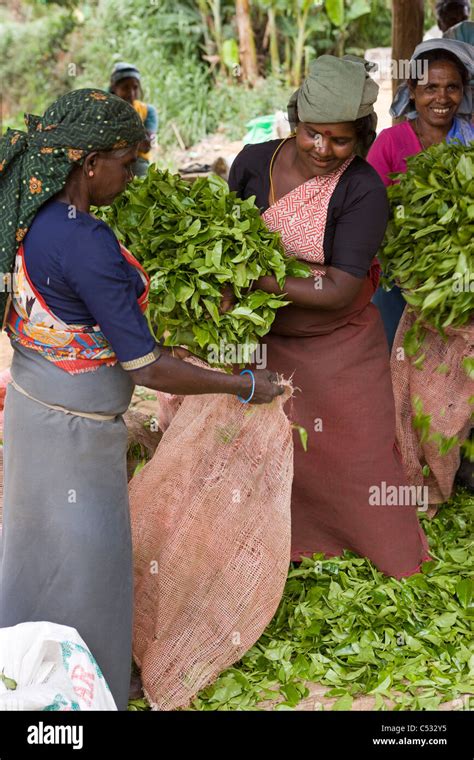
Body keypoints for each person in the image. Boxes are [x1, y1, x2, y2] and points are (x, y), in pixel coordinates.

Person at [0, 89, 282, 711]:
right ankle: (90, 682)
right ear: (88, 161)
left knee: (36, 546)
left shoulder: (30, 214)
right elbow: (148, 365)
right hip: (72, 433)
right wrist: (244, 384)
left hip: (33, 408)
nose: (133, 176)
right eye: (127, 163)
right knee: (89, 554)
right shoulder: (84, 242)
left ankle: (30, 666)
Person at [229, 56, 430, 580]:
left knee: (358, 458)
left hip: (338, 342)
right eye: (312, 134)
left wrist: (260, 283)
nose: (323, 149)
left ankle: (378, 551)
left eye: (340, 140)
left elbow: (341, 288)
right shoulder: (253, 163)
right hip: (265, 338)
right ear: (295, 121)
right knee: (271, 452)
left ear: (363, 136)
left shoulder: (363, 189)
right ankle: (286, 546)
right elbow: (226, 241)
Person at [367, 39, 474, 349]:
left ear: (462, 91)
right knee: (400, 356)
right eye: (430, 87)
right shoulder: (390, 142)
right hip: (400, 280)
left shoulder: (469, 139)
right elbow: (370, 212)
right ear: (412, 91)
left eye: (452, 87)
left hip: (461, 280)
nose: (442, 97)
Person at [109, 62, 158, 177]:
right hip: (109, 164)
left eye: (135, 88)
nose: (131, 93)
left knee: (142, 178)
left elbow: (145, 146)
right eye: (125, 88)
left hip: (137, 162)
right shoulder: (104, 111)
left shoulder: (148, 111)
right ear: (114, 89)